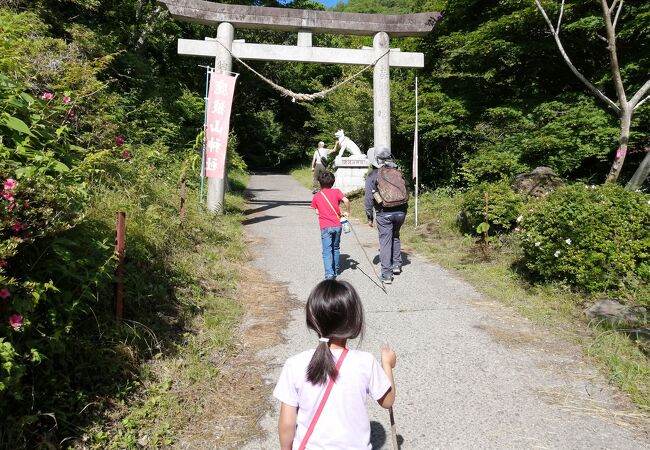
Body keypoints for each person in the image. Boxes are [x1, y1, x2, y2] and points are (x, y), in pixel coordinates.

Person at [274, 280, 397, 450]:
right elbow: (388, 401)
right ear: (354, 321)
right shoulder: (365, 362)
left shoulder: (294, 364)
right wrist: (387, 364)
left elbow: (287, 425)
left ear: (312, 319)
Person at [365, 147, 408, 284]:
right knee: (395, 235)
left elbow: (368, 198)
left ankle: (386, 274)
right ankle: (396, 264)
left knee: (385, 242)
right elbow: (406, 190)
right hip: (401, 211)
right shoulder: (398, 171)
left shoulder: (373, 175)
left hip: (384, 213)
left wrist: (369, 216)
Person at [311, 172, 350, 280]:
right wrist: (347, 212)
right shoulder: (337, 191)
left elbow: (317, 211)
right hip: (337, 225)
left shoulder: (317, 196)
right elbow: (346, 200)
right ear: (332, 182)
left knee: (327, 250)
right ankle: (336, 269)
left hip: (325, 227)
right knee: (336, 248)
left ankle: (329, 274)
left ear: (320, 183)